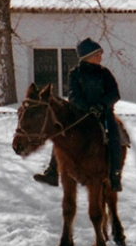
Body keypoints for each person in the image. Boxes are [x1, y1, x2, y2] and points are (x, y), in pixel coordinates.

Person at [32, 38, 123, 191]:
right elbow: (73, 95)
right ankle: (52, 172)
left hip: (103, 115)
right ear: (88, 56)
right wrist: (86, 107)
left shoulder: (105, 73)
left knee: (115, 138)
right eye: (97, 54)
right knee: (61, 137)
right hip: (81, 116)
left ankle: (114, 176)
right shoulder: (75, 74)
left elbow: (114, 94)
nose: (100, 57)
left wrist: (101, 105)